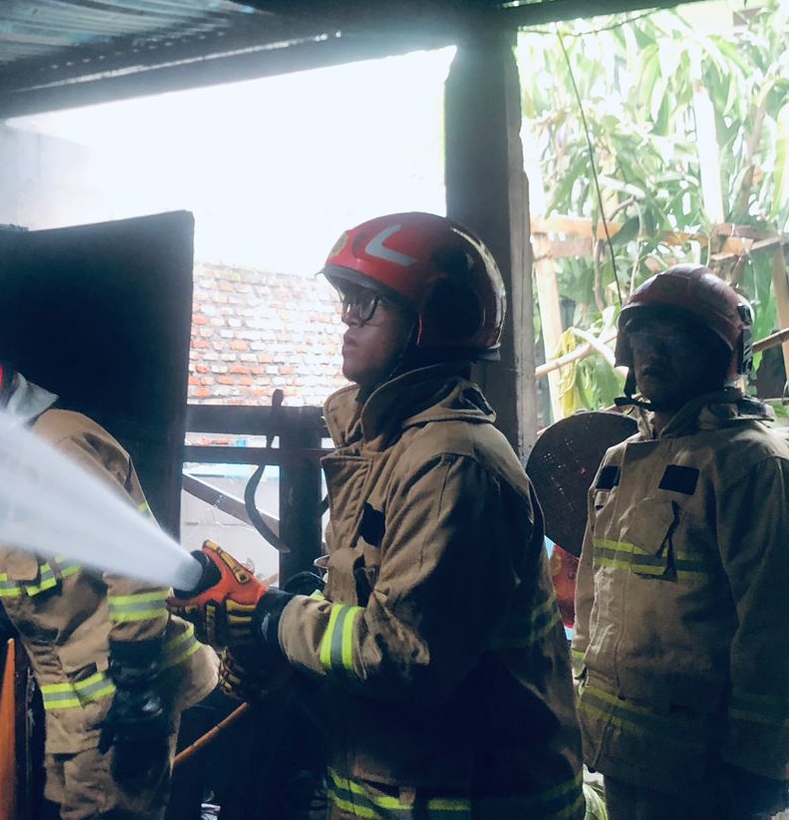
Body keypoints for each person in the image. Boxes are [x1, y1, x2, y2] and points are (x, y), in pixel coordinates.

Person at [169, 212, 584, 819]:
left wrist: (270, 617)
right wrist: (275, 636)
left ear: (433, 321)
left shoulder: (451, 465)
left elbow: (403, 655)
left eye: (367, 305)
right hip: (394, 794)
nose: (346, 320)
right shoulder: (389, 448)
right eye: (346, 301)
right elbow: (363, 608)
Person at [0, 337, 218, 820]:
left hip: (120, 705)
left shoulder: (56, 450)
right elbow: (54, 572)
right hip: (81, 714)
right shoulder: (15, 467)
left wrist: (138, 685)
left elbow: (136, 561)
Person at [572, 264, 789, 820]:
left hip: (709, 773)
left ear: (724, 357)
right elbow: (592, 601)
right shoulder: (619, 463)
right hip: (621, 755)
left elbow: (773, 628)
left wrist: (758, 767)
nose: (654, 354)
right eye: (644, 337)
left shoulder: (753, 465)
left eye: (679, 339)